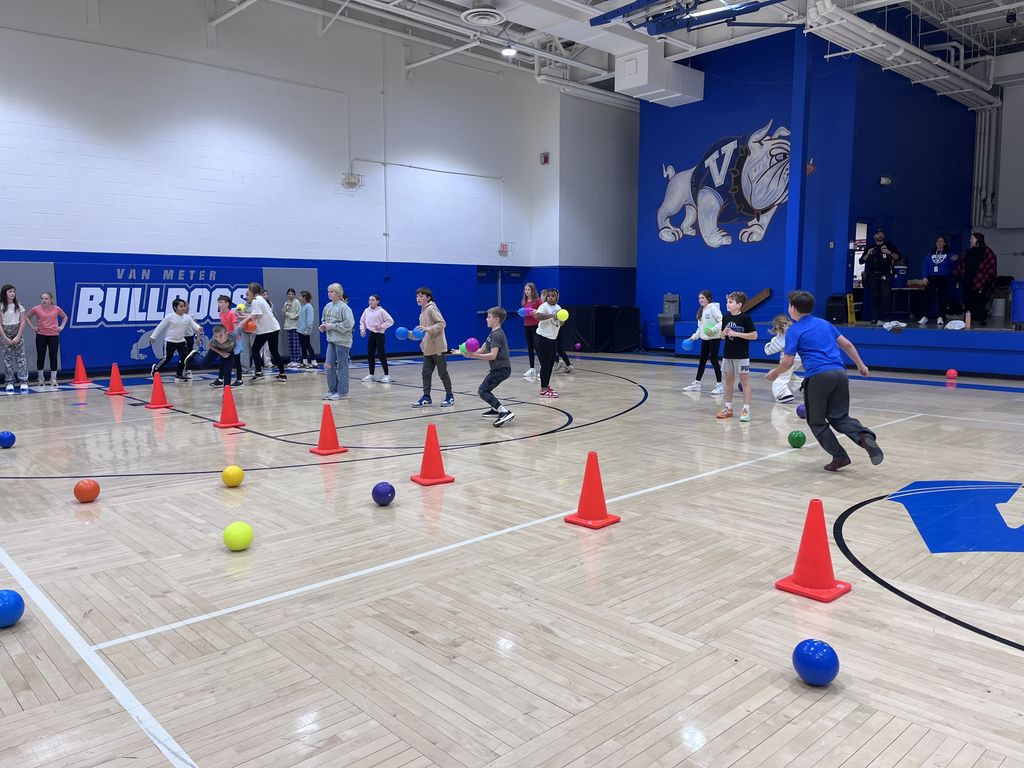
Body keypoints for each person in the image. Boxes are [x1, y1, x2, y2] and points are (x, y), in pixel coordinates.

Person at [766, 290, 883, 471]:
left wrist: (775, 373)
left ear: (793, 309)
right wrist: (861, 365)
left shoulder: (794, 330)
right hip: (840, 374)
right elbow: (847, 344)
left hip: (818, 377)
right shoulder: (824, 324)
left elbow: (788, 361)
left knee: (817, 422)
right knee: (840, 417)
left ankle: (840, 456)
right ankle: (864, 437)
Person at [453, 306, 514, 427]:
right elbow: (481, 350)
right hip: (499, 369)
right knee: (486, 389)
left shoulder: (497, 335)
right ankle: (496, 409)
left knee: (483, 391)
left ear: (496, 320)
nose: (486, 319)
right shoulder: (492, 333)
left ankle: (504, 412)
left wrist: (473, 356)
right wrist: (461, 352)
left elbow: (492, 355)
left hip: (502, 369)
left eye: (489, 317)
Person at [716, 291, 757, 422]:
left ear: (739, 304)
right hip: (728, 354)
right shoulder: (725, 317)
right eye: (727, 301)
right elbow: (721, 336)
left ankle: (746, 410)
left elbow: (754, 335)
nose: (727, 304)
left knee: (745, 383)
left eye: (730, 302)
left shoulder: (746, 318)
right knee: (728, 382)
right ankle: (728, 408)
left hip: (742, 355)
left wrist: (736, 334)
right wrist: (725, 332)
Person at [412, 287, 454, 407]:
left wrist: (428, 329)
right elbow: (422, 332)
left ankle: (450, 396)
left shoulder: (431, 308)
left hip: (438, 348)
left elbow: (442, 324)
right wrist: (410, 334)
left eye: (421, 296)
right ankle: (426, 397)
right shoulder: (422, 312)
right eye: (417, 296)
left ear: (428, 297)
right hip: (427, 349)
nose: (418, 298)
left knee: (442, 373)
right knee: (425, 373)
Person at [238, 282, 287, 382]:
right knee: (274, 351)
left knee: (255, 350)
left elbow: (255, 317)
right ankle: (282, 374)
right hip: (274, 328)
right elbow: (257, 314)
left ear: (252, 291)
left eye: (248, 291)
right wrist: (243, 315)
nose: (247, 293)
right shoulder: (261, 299)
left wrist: (242, 320)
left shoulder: (255, 301)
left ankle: (259, 373)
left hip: (266, 329)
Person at [149, 298, 202, 382]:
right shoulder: (170, 317)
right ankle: (155, 369)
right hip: (170, 341)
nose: (183, 308)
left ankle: (179, 374)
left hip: (181, 341)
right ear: (175, 307)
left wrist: (198, 328)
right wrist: (153, 336)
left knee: (184, 358)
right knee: (167, 358)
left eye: (184, 306)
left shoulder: (187, 318)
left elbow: (194, 325)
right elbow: (160, 327)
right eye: (181, 306)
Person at [683, 290, 723, 395]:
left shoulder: (714, 309)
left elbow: (721, 321)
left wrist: (713, 330)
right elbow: (700, 328)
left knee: (714, 360)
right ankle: (697, 383)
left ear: (708, 298)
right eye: (699, 298)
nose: (700, 300)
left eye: (702, 298)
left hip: (714, 338)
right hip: (705, 339)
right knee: (702, 361)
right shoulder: (701, 311)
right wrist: (693, 338)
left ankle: (720, 385)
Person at [319, 282, 354, 400]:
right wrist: (323, 326)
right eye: (328, 292)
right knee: (328, 365)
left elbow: (349, 324)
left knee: (342, 366)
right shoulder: (327, 306)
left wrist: (332, 327)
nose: (329, 294)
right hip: (332, 340)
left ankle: (342, 392)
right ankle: (332, 390)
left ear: (339, 294)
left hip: (343, 341)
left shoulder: (344, 308)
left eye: (332, 292)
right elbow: (325, 320)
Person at [859, 228, 901, 324]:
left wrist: (889, 252)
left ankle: (885, 318)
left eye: (882, 234)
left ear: (884, 236)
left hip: (886, 274)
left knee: (886, 296)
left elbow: (898, 257)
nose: (880, 236)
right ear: (875, 236)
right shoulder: (870, 247)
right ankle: (875, 318)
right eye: (878, 234)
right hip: (873, 275)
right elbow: (861, 261)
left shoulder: (890, 246)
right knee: (874, 297)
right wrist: (868, 253)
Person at [26, 291, 67, 386]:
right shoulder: (36, 309)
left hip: (53, 336)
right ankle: (40, 378)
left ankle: (53, 379)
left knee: (53, 357)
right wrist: (33, 327)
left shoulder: (56, 309)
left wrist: (61, 327)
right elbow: (28, 317)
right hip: (41, 335)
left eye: (46, 298)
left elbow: (65, 317)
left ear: (51, 299)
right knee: (41, 356)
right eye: (42, 298)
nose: (44, 300)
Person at [918, 236, 959, 326]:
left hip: (943, 279)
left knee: (942, 298)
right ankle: (925, 316)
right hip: (931, 278)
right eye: (938, 241)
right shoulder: (931, 254)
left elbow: (954, 266)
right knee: (928, 297)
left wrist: (954, 261)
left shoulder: (948, 254)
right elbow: (925, 265)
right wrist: (924, 277)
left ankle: (940, 317)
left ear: (945, 244)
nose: (939, 243)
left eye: (941, 241)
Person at [959, 232, 998, 326]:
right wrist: (958, 275)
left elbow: (992, 266)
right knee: (967, 299)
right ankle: (968, 318)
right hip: (968, 279)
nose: (970, 240)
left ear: (977, 239)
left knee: (980, 300)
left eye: (972, 238)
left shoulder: (987, 251)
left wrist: (987, 278)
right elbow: (962, 264)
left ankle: (980, 319)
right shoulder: (968, 251)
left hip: (981, 280)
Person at [533, 288, 564, 398]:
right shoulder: (544, 306)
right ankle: (543, 389)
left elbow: (560, 322)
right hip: (542, 338)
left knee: (550, 364)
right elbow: (537, 316)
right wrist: (552, 316)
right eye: (549, 296)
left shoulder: (558, 308)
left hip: (552, 338)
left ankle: (546, 386)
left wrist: (562, 320)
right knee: (545, 364)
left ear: (556, 297)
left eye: (553, 296)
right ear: (546, 297)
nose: (551, 297)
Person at [763, 313, 802, 403]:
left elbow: (769, 350)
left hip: (789, 359)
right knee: (788, 374)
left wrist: (769, 344)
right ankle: (802, 386)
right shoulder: (795, 330)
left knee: (779, 376)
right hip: (799, 358)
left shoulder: (782, 336)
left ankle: (783, 395)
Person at [359, 293, 394, 383]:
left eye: (373, 300)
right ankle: (371, 374)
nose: (370, 301)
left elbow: (390, 321)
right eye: (369, 300)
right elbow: (362, 321)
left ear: (377, 301)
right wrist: (362, 329)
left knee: (381, 354)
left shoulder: (381, 311)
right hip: (371, 335)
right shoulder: (366, 311)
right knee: (370, 354)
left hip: (380, 335)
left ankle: (386, 375)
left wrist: (382, 326)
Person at [1, 284, 28, 392]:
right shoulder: (1, 306)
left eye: (13, 291)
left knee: (21, 358)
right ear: (5, 293)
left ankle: (23, 381)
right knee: (7, 359)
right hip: (5, 333)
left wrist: (18, 336)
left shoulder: (19, 306)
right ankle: (9, 381)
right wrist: (4, 338)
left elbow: (23, 322)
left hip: (17, 333)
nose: (12, 293)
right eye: (10, 291)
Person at [216, 294, 244, 386]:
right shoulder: (220, 314)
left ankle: (239, 380)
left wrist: (234, 339)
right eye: (218, 302)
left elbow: (236, 328)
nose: (219, 304)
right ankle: (220, 379)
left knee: (236, 360)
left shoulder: (231, 314)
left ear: (227, 303)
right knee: (222, 359)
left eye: (221, 302)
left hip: (234, 340)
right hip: (225, 340)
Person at [521, 283, 542, 378]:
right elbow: (524, 312)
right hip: (527, 325)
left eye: (528, 289)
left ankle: (543, 368)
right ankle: (532, 368)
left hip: (535, 325)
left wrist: (534, 311)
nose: (526, 291)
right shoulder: (524, 301)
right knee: (530, 347)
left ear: (533, 290)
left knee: (537, 347)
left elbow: (541, 312)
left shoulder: (537, 301)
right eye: (525, 289)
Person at [282, 288, 302, 368]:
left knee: (296, 344)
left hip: (295, 326)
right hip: (288, 326)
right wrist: (285, 310)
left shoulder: (297, 302)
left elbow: (297, 314)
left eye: (292, 294)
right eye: (289, 294)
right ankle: (292, 360)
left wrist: (287, 314)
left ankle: (297, 360)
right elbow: (284, 312)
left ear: (294, 295)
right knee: (290, 344)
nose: (290, 295)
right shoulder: (286, 302)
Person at [297, 290, 317, 368]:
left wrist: (307, 329)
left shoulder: (309, 306)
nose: (299, 298)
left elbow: (310, 319)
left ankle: (314, 362)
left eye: (300, 296)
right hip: (300, 330)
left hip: (305, 330)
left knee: (308, 345)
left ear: (304, 297)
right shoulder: (304, 306)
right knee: (303, 346)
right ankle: (305, 362)